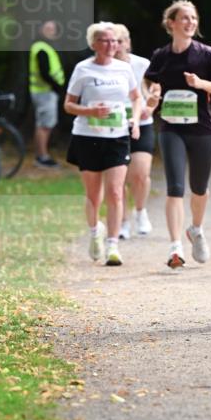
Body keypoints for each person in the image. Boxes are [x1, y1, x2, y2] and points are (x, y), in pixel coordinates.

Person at [145, 0, 211, 269]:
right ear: (171, 23)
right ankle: (175, 248)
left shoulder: (206, 54)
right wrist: (153, 92)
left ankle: (196, 229)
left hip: (202, 130)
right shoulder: (161, 55)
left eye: (194, 18)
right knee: (175, 188)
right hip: (171, 129)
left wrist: (200, 83)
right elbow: (150, 78)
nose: (191, 22)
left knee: (199, 189)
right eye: (185, 18)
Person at [64, 23, 141, 266]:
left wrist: (136, 121)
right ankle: (95, 232)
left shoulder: (123, 68)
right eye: (105, 41)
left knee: (116, 192)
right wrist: (89, 111)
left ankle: (113, 245)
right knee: (93, 195)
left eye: (115, 41)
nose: (111, 45)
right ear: (94, 44)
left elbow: (136, 98)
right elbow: (68, 105)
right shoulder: (83, 69)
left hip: (117, 136)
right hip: (87, 136)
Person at [113, 24, 160, 238]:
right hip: (114, 126)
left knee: (140, 174)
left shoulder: (142, 64)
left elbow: (155, 89)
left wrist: (150, 106)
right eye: (113, 41)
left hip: (141, 124)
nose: (117, 46)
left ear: (128, 43)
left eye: (121, 41)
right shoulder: (104, 67)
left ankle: (141, 211)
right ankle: (122, 221)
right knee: (118, 179)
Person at [29, 20, 65, 168]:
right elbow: (44, 72)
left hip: (42, 92)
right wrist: (56, 87)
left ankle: (40, 155)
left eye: (53, 29)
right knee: (45, 125)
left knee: (41, 124)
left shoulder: (43, 47)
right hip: (45, 92)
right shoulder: (42, 48)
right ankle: (43, 157)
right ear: (41, 30)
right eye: (47, 28)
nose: (51, 31)